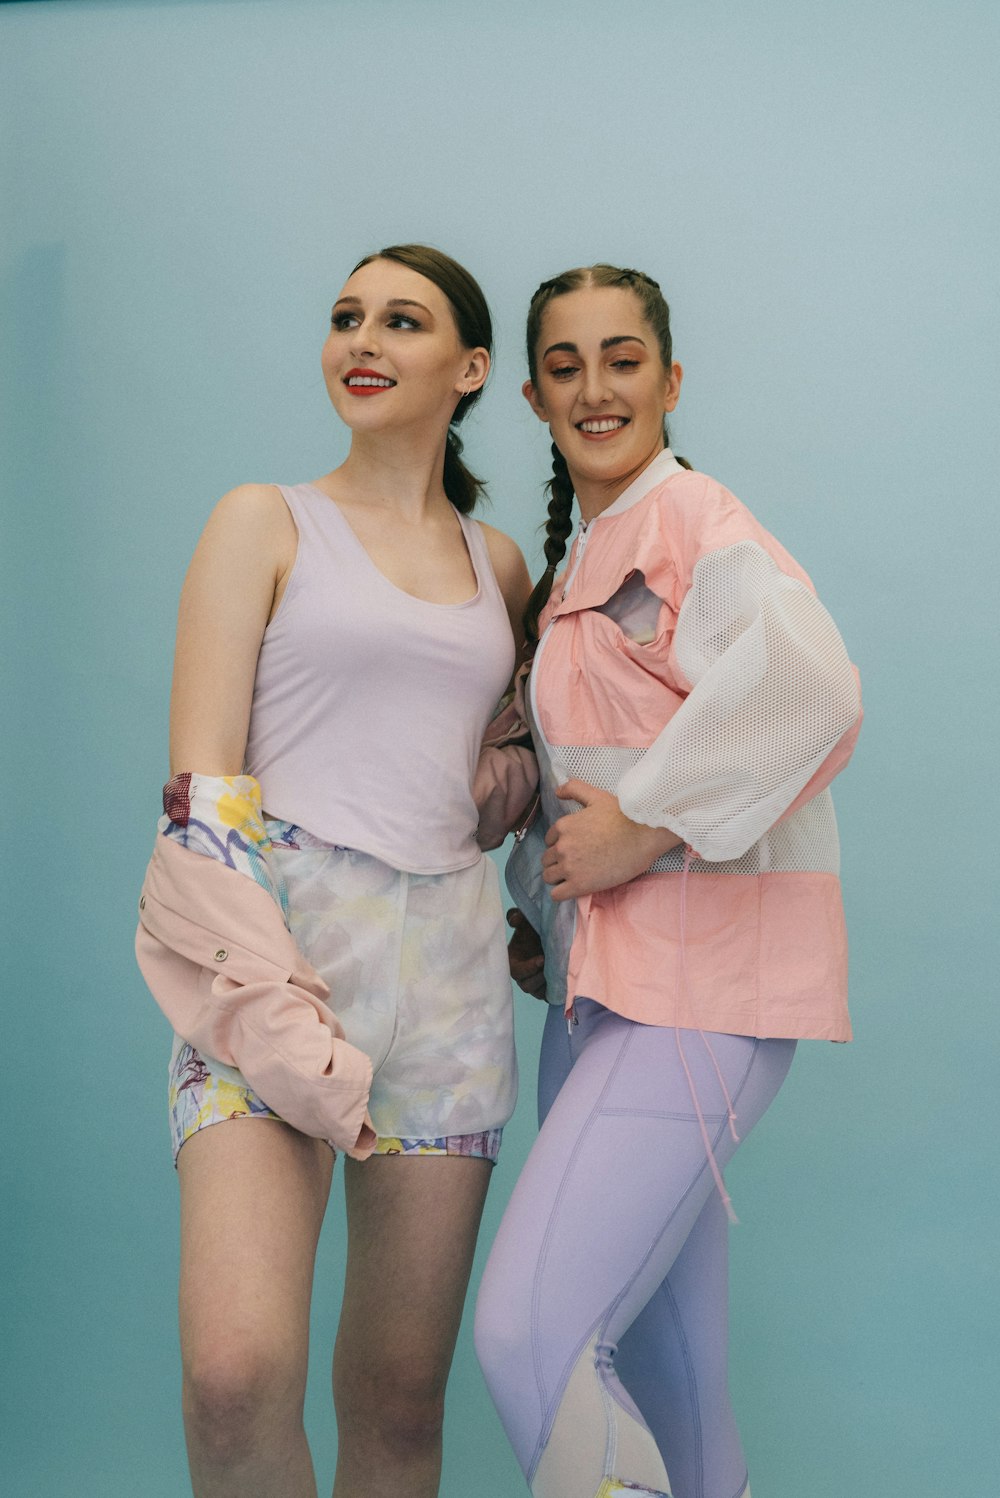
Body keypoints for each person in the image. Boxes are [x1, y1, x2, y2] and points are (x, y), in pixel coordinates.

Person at [135, 244, 535, 1498]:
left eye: (401, 322)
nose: (361, 339)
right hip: (273, 957)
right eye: (345, 316)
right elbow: (204, 795)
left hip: (451, 990)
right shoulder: (264, 517)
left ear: (468, 369)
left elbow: (490, 785)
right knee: (235, 1376)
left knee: (401, 1406)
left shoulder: (501, 566)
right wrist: (271, 997)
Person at [474, 264, 862, 1498]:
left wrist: (642, 825)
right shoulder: (588, 552)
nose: (597, 387)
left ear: (670, 380)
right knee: (671, 1382)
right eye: (569, 364)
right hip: (601, 998)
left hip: (698, 998)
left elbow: (811, 688)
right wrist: (541, 915)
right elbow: (585, 761)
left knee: (532, 1336)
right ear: (534, 393)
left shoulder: (697, 522)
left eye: (623, 358)